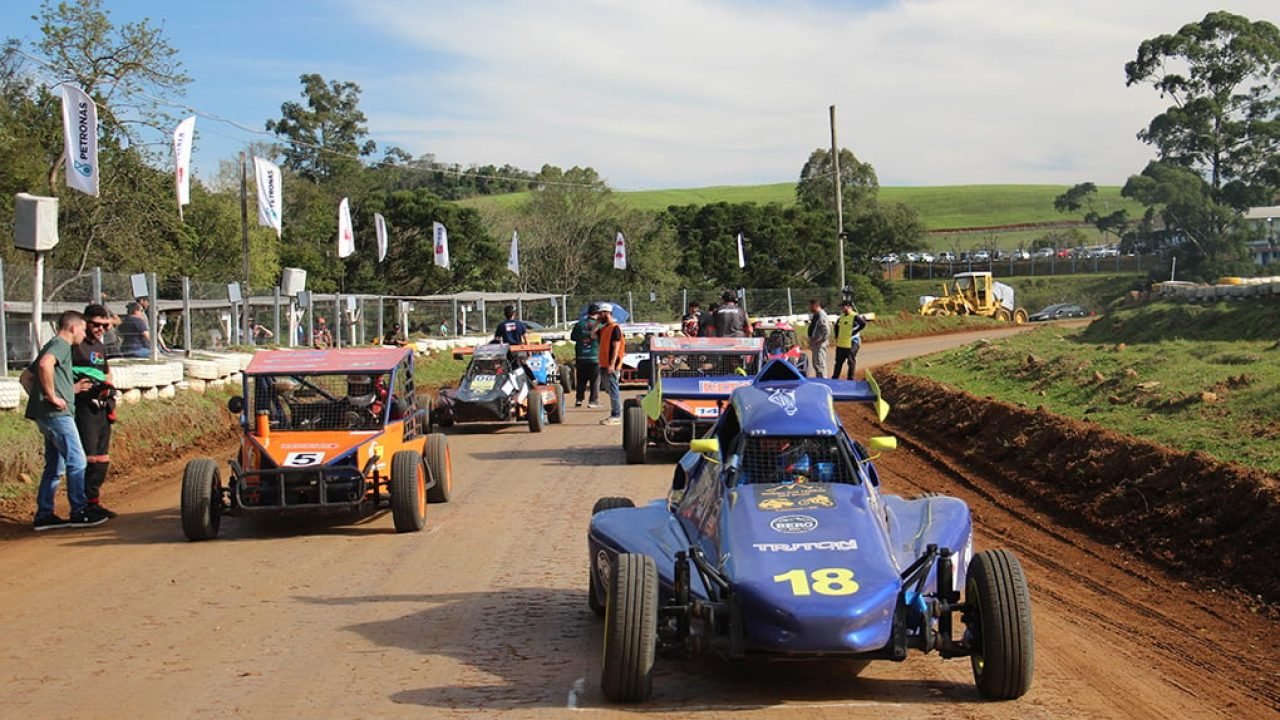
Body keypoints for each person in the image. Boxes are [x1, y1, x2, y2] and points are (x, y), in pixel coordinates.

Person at [19, 311, 107, 530]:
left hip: (47, 414)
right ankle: (79, 511)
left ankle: (44, 514)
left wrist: (41, 399)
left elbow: (25, 377)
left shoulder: (52, 344)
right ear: (73, 328)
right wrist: (51, 397)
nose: (84, 333)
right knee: (77, 461)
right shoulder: (61, 344)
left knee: (55, 465)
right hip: (58, 416)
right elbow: (44, 366)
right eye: (84, 329)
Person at [73, 304, 118, 518]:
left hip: (101, 408)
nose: (101, 329)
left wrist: (107, 388)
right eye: (96, 325)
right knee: (88, 458)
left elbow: (106, 371)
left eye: (105, 326)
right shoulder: (74, 344)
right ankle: (82, 507)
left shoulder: (100, 346)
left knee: (101, 458)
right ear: (86, 322)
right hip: (83, 408)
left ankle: (93, 501)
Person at [595, 305, 625, 425]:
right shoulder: (604, 328)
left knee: (613, 389)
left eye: (600, 314)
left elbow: (616, 347)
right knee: (609, 388)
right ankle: (616, 411)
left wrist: (612, 364)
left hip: (611, 364)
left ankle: (616, 415)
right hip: (603, 363)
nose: (598, 316)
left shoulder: (615, 328)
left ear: (607, 313)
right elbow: (593, 335)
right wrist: (597, 323)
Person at [570, 304, 602, 408]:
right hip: (594, 357)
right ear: (597, 314)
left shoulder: (579, 324)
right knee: (595, 381)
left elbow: (573, 337)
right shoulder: (600, 326)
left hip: (581, 356)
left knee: (581, 380)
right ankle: (593, 400)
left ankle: (579, 399)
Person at [832, 300, 869, 380]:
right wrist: (837, 335)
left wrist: (855, 331)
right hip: (841, 343)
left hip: (852, 342)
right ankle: (835, 378)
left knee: (850, 361)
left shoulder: (855, 316)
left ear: (849, 307)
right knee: (838, 362)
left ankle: (850, 379)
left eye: (843, 306)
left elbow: (863, 324)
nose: (841, 308)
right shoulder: (841, 317)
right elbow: (836, 326)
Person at [807, 299, 830, 378]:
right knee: (816, 364)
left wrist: (819, 341)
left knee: (820, 365)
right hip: (816, 344)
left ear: (816, 306)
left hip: (819, 345)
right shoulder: (816, 315)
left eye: (811, 305)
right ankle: (820, 379)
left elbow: (826, 331)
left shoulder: (821, 315)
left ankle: (823, 381)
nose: (809, 307)